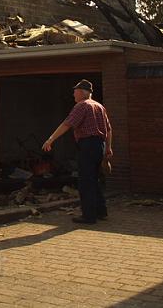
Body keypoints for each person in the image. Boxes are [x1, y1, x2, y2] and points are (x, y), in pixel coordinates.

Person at [42, 79, 112, 224]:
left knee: (85, 181)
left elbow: (67, 124)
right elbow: (109, 130)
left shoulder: (82, 105)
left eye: (75, 91)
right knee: (95, 179)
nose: (73, 94)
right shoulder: (99, 106)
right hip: (99, 145)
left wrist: (51, 139)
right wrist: (108, 149)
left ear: (81, 92)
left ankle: (89, 216)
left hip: (87, 145)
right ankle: (101, 211)